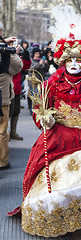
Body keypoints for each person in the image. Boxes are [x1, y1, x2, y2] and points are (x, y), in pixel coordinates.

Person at [8, 5, 81, 238]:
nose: (74, 64)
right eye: (70, 60)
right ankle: (59, 214)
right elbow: (40, 107)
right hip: (59, 136)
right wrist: (46, 119)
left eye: (79, 60)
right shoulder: (53, 82)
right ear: (64, 61)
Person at [0, 22, 23, 170]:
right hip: (2, 97)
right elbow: (17, 67)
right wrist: (12, 52)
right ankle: (2, 161)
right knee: (2, 130)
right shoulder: (4, 50)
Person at [9, 43, 31, 140]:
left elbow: (25, 66)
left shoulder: (18, 59)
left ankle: (13, 132)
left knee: (16, 112)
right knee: (8, 113)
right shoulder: (9, 58)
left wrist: (26, 58)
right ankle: (5, 133)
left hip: (17, 90)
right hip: (9, 90)